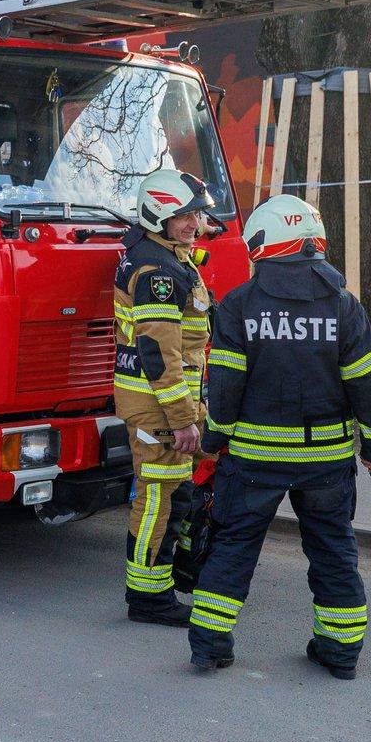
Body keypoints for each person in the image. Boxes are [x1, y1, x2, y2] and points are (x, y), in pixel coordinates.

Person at [188, 194, 371, 679]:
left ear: (262, 243)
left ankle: (210, 648)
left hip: (254, 461)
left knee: (234, 547)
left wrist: (214, 442)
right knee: (333, 550)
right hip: (326, 461)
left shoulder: (238, 306)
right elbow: (368, 384)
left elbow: (226, 387)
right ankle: (340, 653)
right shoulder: (345, 307)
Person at [113, 168, 217, 625]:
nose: (194, 224)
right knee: (158, 496)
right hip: (159, 406)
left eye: (196, 215)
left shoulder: (163, 253)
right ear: (158, 215)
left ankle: (173, 574)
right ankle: (148, 597)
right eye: (184, 216)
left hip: (168, 402)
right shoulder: (157, 271)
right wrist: (182, 418)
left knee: (177, 492)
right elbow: (158, 353)